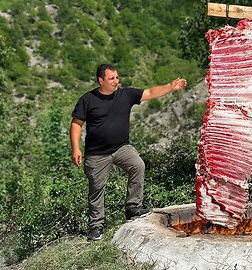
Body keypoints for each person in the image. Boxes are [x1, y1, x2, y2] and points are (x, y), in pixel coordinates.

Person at [70, 64, 187, 241]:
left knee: (138, 165)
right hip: (97, 153)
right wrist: (76, 148)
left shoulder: (125, 95)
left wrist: (171, 87)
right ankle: (96, 226)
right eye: (111, 78)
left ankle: (133, 208)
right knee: (96, 188)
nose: (116, 81)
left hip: (121, 147)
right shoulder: (88, 99)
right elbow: (76, 124)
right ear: (101, 80)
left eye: (117, 77)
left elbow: (149, 93)